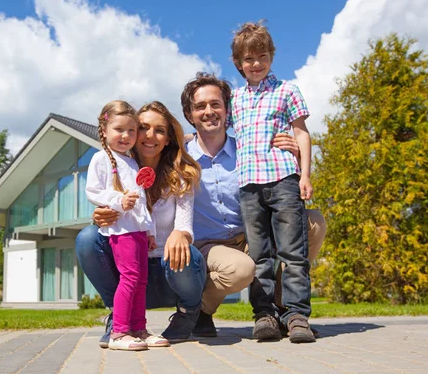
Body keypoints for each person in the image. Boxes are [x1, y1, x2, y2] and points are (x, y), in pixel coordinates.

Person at [179, 72, 326, 340]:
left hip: (249, 236)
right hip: (209, 246)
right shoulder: (182, 157)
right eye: (200, 107)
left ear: (228, 110)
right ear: (190, 114)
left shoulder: (249, 151)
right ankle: (199, 309)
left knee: (313, 222)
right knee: (241, 268)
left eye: (216, 104)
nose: (209, 112)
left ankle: (286, 313)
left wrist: (291, 148)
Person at [76, 101, 206, 347]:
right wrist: (103, 213)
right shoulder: (117, 164)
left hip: (167, 270)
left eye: (159, 130)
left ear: (168, 138)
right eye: (143, 128)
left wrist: (179, 233)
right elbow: (100, 193)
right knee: (87, 237)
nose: (149, 135)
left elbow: (184, 225)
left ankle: (184, 316)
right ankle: (120, 323)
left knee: (187, 252)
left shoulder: (179, 174)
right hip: (129, 257)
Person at [228, 21, 315, 343]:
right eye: (249, 59)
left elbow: (301, 132)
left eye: (262, 56)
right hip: (249, 185)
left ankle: (296, 317)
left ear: (271, 57)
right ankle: (264, 315)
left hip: (283, 179)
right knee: (260, 256)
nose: (256, 64)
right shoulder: (234, 99)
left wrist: (305, 174)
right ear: (239, 64)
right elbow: (219, 134)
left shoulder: (287, 90)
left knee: (293, 252)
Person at [85, 100, 160, 351]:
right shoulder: (101, 159)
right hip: (121, 231)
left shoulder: (132, 162)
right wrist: (118, 201)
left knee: (141, 281)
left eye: (131, 130)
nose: (126, 136)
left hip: (137, 231)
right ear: (104, 130)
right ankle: (119, 332)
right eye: (119, 129)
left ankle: (139, 328)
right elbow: (93, 191)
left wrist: (149, 231)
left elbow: (141, 203)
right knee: (129, 278)